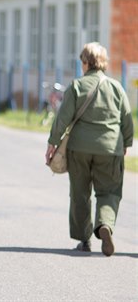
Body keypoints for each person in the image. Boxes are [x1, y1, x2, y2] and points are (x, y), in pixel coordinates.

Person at [45, 42, 133, 256]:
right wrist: (126, 143)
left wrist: (53, 142)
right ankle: (105, 225)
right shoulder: (116, 87)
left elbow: (62, 118)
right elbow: (127, 120)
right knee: (109, 191)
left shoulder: (77, 86)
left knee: (80, 193)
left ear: (85, 63)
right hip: (110, 147)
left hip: (79, 149)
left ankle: (84, 240)